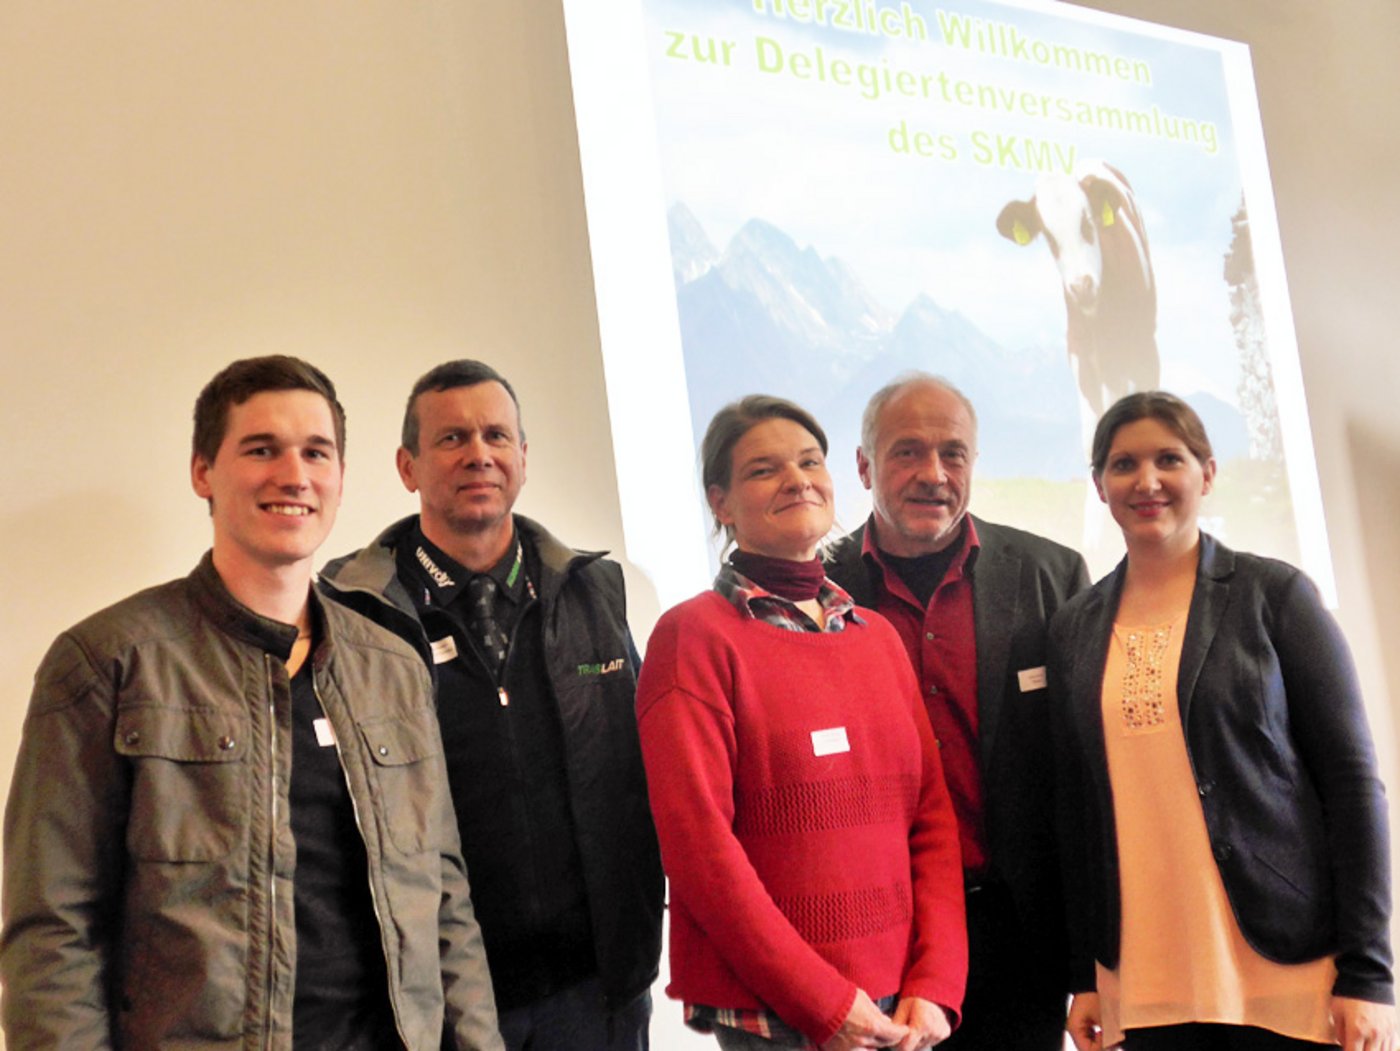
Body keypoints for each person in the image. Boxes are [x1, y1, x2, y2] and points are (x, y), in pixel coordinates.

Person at [0, 356, 502, 1050]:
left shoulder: (392, 666)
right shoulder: (106, 663)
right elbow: (54, 933)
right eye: (261, 449)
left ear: (340, 476)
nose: (293, 475)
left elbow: (445, 904)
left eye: (315, 452)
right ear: (203, 470)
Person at [319, 359, 663, 1051]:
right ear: (407, 465)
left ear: (523, 458)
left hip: (595, 991)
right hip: (436, 1001)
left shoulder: (595, 591)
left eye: (496, 436)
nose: (478, 453)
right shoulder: (350, 612)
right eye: (451, 439)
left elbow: (637, 772)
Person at [1048, 391, 1394, 1051]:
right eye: (1124, 464)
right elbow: (1077, 814)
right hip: (1144, 979)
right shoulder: (1074, 627)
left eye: (1168, 459)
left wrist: (1370, 972)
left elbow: (1353, 787)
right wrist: (1084, 974)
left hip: (1287, 970)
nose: (1146, 481)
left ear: (1206, 473)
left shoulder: (1276, 596)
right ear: (1099, 485)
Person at [637, 394, 967, 1051]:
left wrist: (936, 981)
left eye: (810, 461)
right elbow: (699, 850)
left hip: (902, 1010)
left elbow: (930, 820)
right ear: (720, 503)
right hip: (780, 1017)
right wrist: (822, 1001)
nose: (797, 479)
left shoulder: (875, 638)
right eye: (763, 469)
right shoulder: (693, 637)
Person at [824, 373, 1088, 1051]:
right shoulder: (817, 592)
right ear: (863, 466)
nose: (933, 474)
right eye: (906, 451)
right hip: (878, 938)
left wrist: (1094, 958)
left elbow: (1085, 780)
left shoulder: (1050, 576)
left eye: (953, 453)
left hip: (1021, 935)